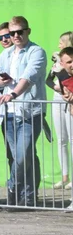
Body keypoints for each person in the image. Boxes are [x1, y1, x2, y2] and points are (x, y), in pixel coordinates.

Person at [0, 16, 47, 207]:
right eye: (12, 33)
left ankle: (12, 186)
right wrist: (1, 82)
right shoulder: (5, 54)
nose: (15, 36)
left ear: (28, 31)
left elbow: (29, 76)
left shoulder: (36, 51)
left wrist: (13, 93)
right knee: (21, 157)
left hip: (30, 112)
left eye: (19, 32)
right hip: (8, 114)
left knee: (23, 156)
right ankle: (27, 197)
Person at [46, 43, 73, 191]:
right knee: (62, 139)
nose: (59, 45)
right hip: (59, 102)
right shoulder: (60, 69)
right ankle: (65, 176)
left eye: (62, 42)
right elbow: (48, 80)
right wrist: (60, 89)